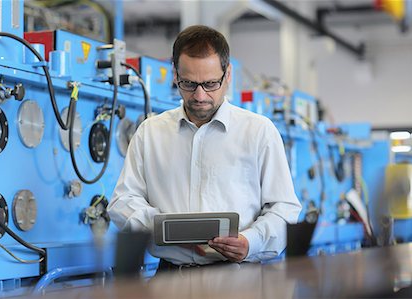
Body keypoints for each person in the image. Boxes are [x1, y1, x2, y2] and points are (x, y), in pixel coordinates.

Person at [107, 25, 302, 268]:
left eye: (210, 84)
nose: (199, 95)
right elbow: (122, 202)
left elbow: (284, 207)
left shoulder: (258, 131)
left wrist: (251, 242)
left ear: (228, 75)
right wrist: (165, 229)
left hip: (237, 278)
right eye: (188, 83)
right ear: (175, 75)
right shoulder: (150, 133)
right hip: (170, 277)